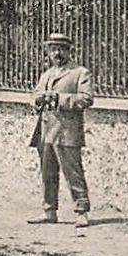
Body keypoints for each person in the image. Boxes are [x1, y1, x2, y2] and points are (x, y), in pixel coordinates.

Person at [29, 32, 95, 227]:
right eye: (53, 49)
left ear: (68, 51)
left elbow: (86, 98)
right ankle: (49, 211)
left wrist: (59, 99)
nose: (57, 53)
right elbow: (35, 95)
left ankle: (81, 211)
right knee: (47, 173)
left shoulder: (80, 73)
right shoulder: (47, 74)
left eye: (60, 49)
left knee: (73, 172)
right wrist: (37, 100)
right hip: (45, 130)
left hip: (67, 131)